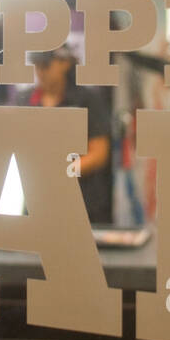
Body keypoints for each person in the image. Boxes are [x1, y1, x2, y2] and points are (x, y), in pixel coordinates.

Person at [27, 45, 114, 225]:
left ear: (64, 64)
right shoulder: (27, 100)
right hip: (39, 201)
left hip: (83, 201)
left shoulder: (87, 100)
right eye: (37, 66)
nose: (41, 72)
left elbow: (99, 153)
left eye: (46, 66)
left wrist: (63, 173)